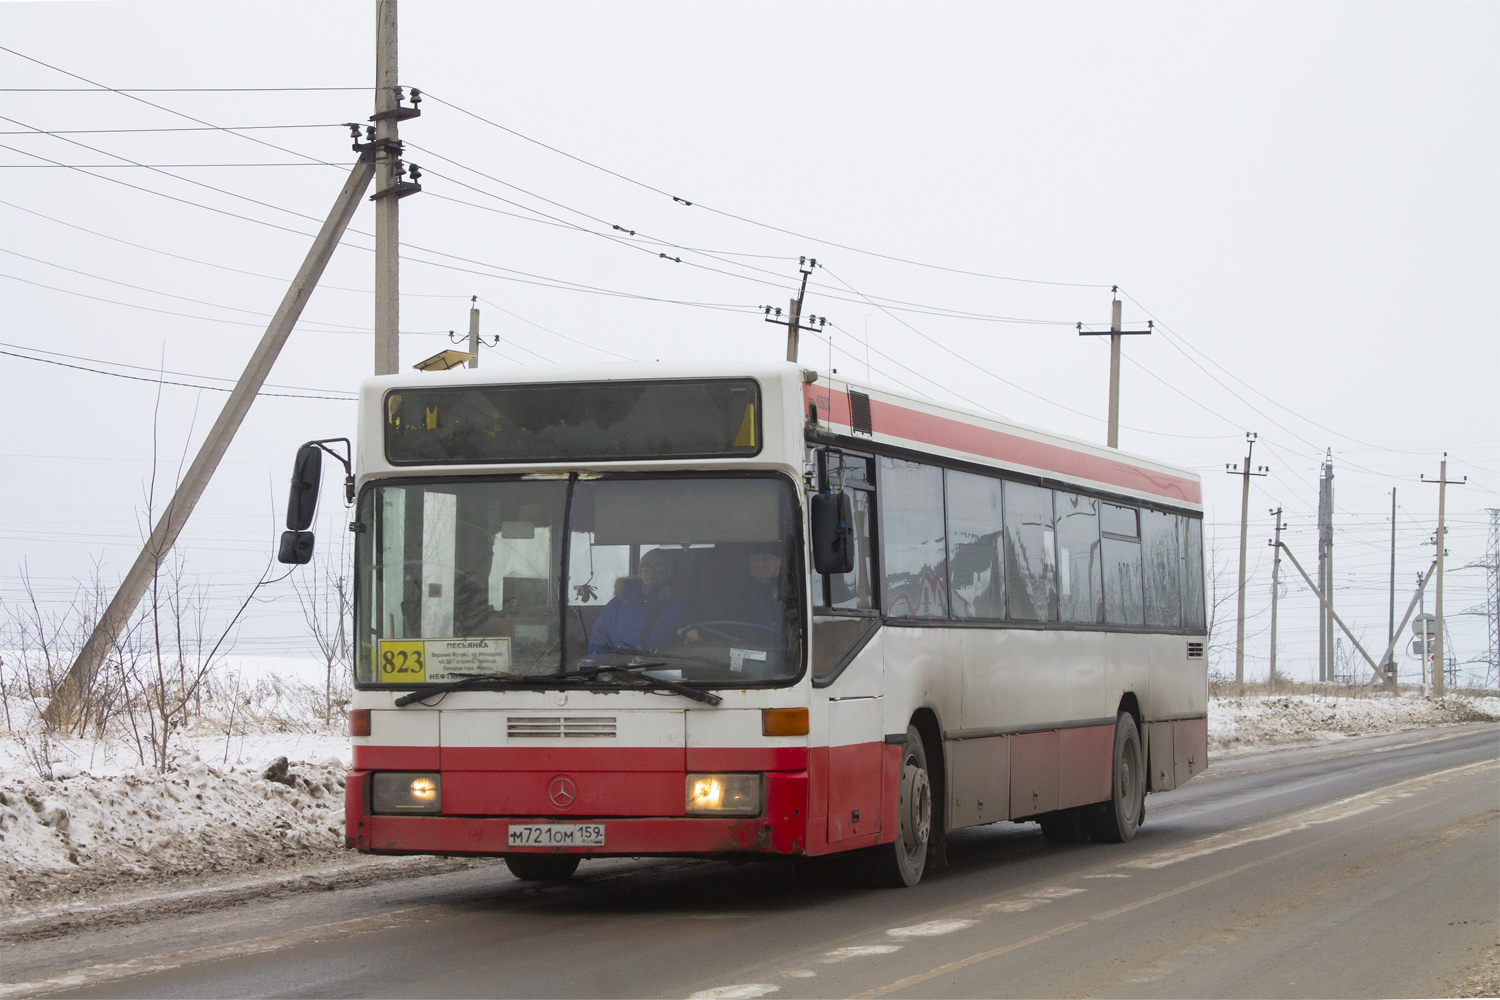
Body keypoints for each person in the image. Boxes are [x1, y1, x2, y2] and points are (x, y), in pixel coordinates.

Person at [588, 549, 688, 654]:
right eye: (646, 566)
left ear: (668, 572)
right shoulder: (620, 601)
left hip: (661, 662)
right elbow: (600, 635)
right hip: (619, 662)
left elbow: (685, 639)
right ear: (640, 571)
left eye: (658, 566)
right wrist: (600, 659)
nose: (651, 571)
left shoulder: (677, 606)